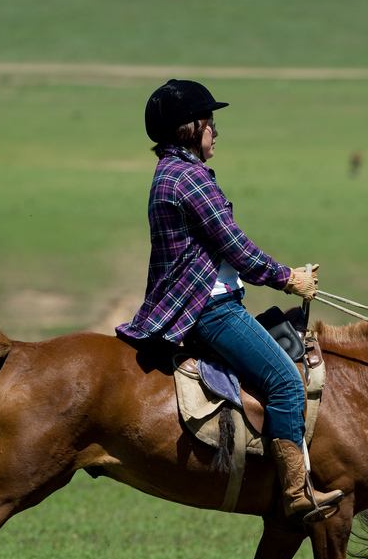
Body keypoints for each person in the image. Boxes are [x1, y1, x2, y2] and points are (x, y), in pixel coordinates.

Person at [117, 78, 344, 523]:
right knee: (285, 382)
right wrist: (288, 279)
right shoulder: (191, 178)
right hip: (209, 309)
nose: (216, 132)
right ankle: (296, 494)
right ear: (189, 128)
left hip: (195, 304)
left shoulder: (169, 173)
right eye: (210, 123)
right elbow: (234, 246)